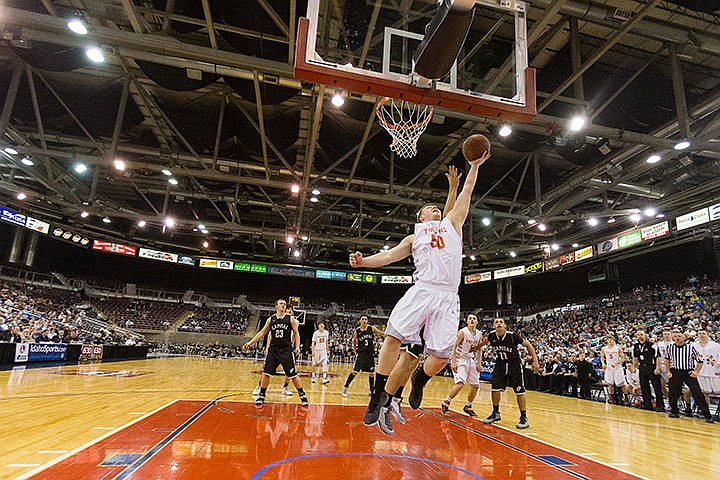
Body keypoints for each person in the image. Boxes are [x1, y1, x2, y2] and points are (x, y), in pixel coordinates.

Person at [350, 156, 488, 435]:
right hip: (422, 289)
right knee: (392, 337)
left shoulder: (453, 225)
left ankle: (420, 378)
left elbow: (466, 194)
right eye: (429, 208)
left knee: (438, 358)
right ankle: (378, 395)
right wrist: (363, 262)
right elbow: (389, 256)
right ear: (420, 218)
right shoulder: (415, 238)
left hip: (448, 297)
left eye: (438, 208)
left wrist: (474, 166)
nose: (435, 209)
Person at [243, 298, 309, 406]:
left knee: (293, 375)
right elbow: (262, 333)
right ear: (276, 306)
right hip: (274, 350)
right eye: (281, 304)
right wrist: (250, 343)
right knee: (266, 373)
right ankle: (261, 395)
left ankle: (302, 395)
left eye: (284, 304)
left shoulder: (290, 319)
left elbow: (296, 333)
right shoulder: (271, 319)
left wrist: (297, 346)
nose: (283, 305)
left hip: (286, 350)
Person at [477, 317, 540, 429]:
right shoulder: (492, 335)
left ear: (505, 325)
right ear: (494, 326)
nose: (499, 323)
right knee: (494, 389)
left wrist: (535, 361)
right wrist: (475, 348)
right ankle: (496, 413)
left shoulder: (512, 335)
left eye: (501, 322)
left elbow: (528, 345)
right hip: (500, 364)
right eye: (496, 322)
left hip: (514, 365)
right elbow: (484, 342)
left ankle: (523, 417)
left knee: (519, 391)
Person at [664, 330, 713, 423]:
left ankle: (707, 415)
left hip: (688, 372)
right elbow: (667, 359)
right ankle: (674, 411)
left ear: (684, 338)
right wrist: (668, 371)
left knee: (697, 392)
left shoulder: (691, 348)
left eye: (679, 336)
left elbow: (700, 361)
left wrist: (696, 372)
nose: (677, 338)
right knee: (673, 393)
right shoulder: (669, 347)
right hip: (675, 372)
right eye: (675, 336)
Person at [441, 313, 482, 417]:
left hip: (470, 359)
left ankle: (468, 406)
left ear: (477, 322)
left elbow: (479, 349)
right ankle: (446, 402)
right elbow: (454, 347)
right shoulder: (463, 332)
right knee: (461, 383)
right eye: (470, 319)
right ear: (467, 321)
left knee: (476, 385)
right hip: (460, 359)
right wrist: (453, 361)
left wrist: (479, 362)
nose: (472, 320)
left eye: (474, 319)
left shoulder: (479, 334)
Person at [342, 315, 384, 397]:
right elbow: (354, 341)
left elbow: (380, 333)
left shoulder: (372, 328)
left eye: (366, 319)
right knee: (355, 372)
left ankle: (372, 391)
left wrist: (388, 334)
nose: (364, 320)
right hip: (361, 353)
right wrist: (355, 351)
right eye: (363, 319)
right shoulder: (357, 331)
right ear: (360, 321)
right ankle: (345, 388)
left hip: (370, 353)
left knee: (371, 373)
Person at [630, 330, 665, 412]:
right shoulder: (635, 346)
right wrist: (634, 367)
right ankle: (647, 404)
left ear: (645, 335)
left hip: (652, 367)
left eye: (641, 334)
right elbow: (635, 358)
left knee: (656, 387)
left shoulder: (652, 345)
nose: (639, 336)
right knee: (644, 386)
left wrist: (657, 368)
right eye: (638, 335)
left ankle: (660, 405)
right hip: (642, 367)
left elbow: (658, 357)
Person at [691, 330, 720, 402]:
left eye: (703, 333)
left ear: (708, 334)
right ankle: (705, 409)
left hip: (713, 371)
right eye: (699, 333)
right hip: (699, 371)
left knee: (717, 391)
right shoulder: (693, 345)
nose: (701, 335)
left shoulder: (715, 345)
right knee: (703, 393)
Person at [601, 335, 628, 404]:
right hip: (609, 367)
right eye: (608, 339)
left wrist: (616, 363)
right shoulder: (604, 348)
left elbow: (623, 358)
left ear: (614, 340)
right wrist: (603, 363)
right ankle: (612, 398)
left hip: (617, 367)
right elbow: (602, 358)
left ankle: (626, 398)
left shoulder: (618, 348)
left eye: (611, 339)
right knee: (610, 384)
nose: (610, 340)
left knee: (621, 384)